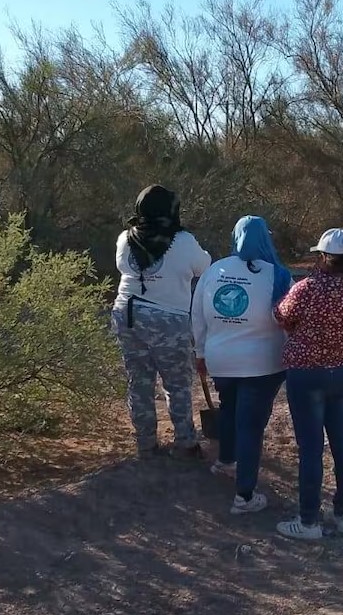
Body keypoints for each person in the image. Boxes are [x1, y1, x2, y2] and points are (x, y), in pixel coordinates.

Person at [273, 229, 343, 540]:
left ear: (324, 256)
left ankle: (308, 522)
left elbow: (281, 316)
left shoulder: (306, 289)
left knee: (311, 448)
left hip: (307, 374)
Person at [192, 216, 290, 515]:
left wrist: (199, 352)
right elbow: (289, 320)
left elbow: (197, 314)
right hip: (263, 363)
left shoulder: (214, 270)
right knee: (251, 425)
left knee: (230, 408)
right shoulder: (279, 275)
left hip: (221, 359)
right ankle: (244, 496)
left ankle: (225, 461)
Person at [112, 185, 212, 460]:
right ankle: (185, 443)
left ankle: (145, 444)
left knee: (139, 382)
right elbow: (204, 267)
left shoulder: (125, 238)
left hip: (128, 315)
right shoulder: (183, 241)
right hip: (168, 318)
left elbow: (123, 266)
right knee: (177, 383)